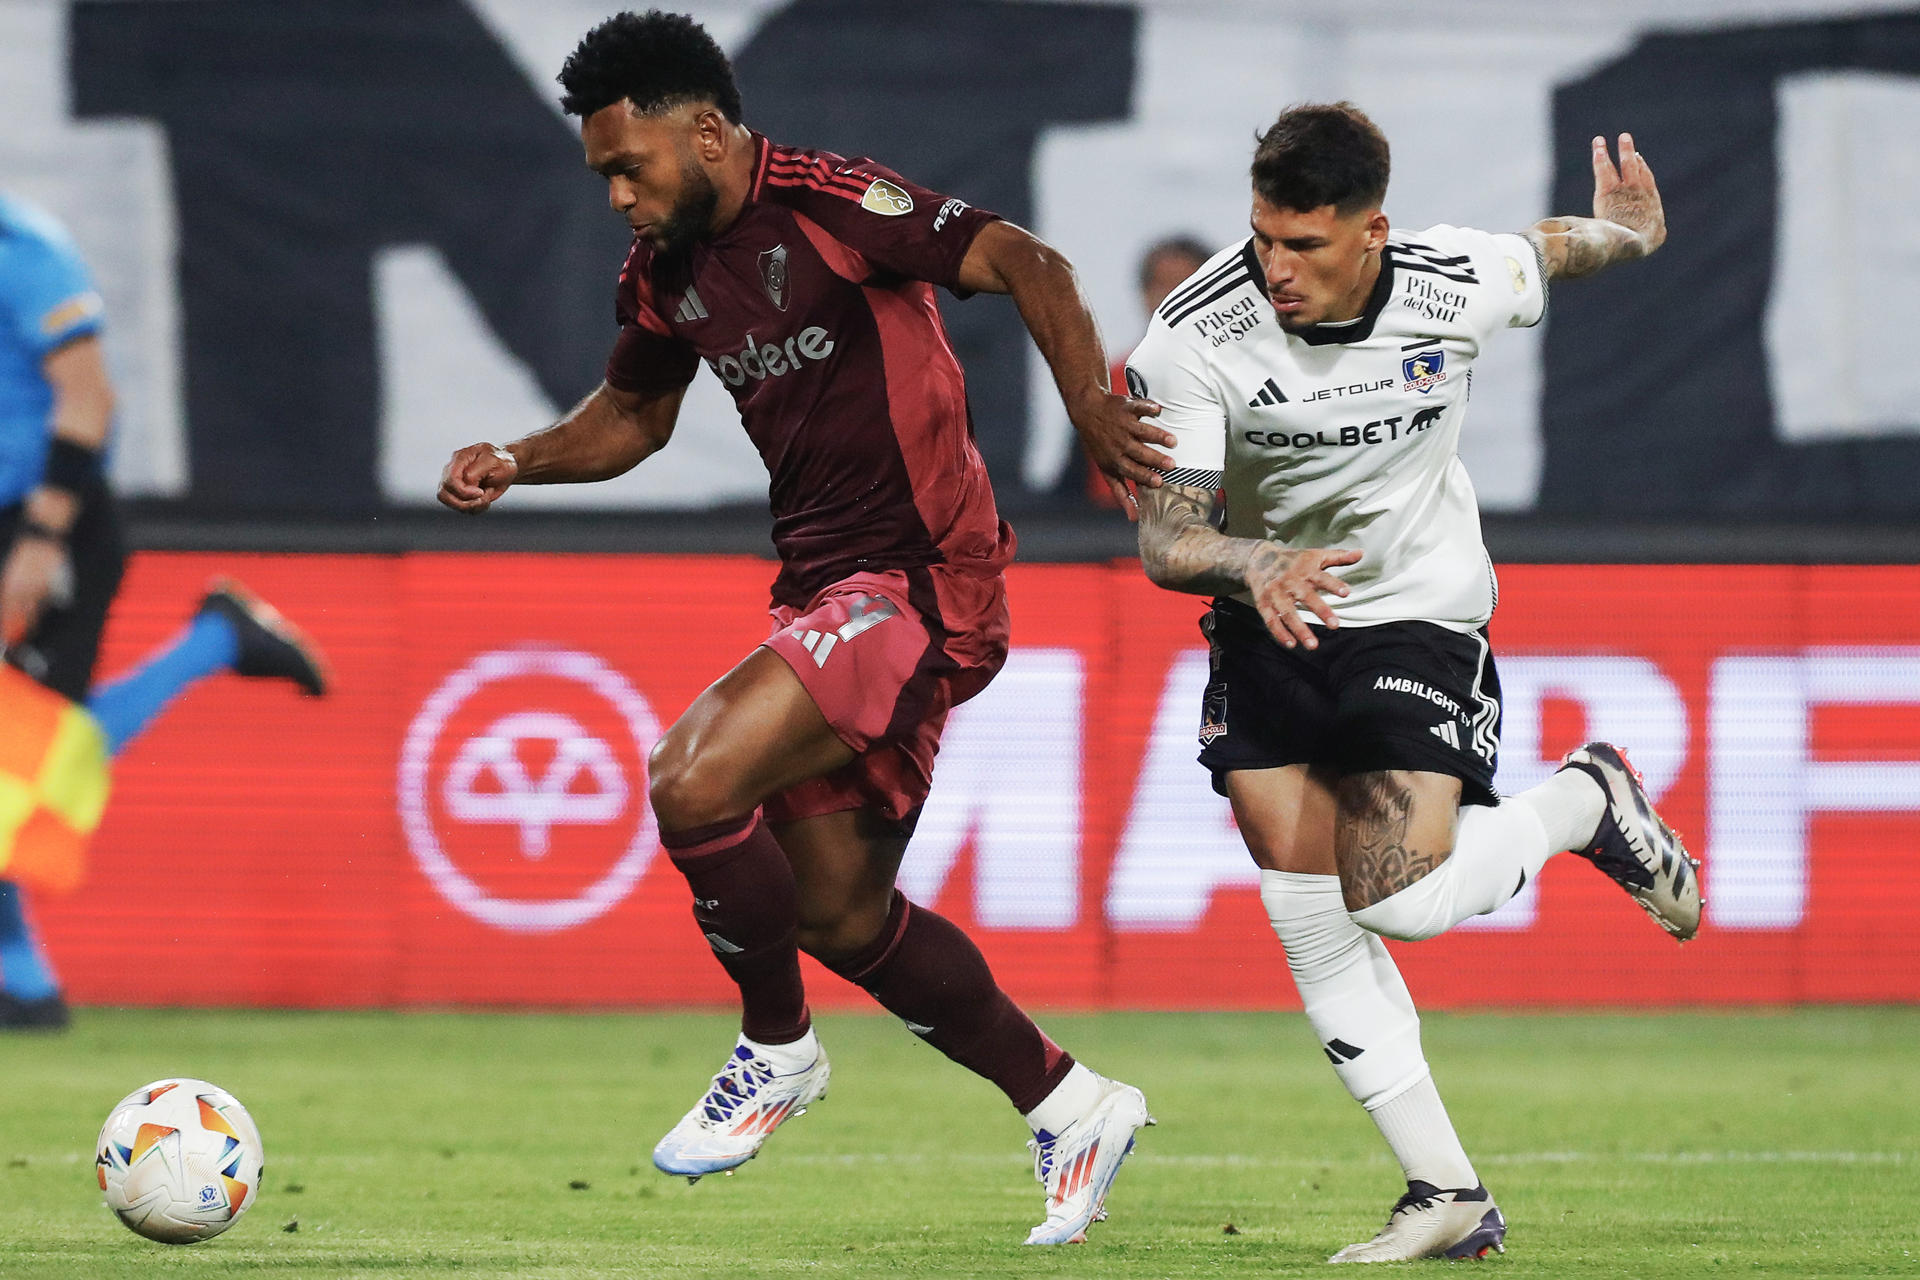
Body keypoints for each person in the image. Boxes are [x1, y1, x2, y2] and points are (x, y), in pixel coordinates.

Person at [436, 10, 1172, 1245]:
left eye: (632, 166)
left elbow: (1031, 263)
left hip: (921, 579)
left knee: (689, 775)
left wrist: (1093, 409)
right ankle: (1071, 1100)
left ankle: (775, 1048)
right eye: (604, 174)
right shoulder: (667, 271)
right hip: (829, 591)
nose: (618, 194)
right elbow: (631, 419)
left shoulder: (835, 204)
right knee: (835, 913)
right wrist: (518, 456)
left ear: (710, 132)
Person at [1124, 102, 1699, 1262]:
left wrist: (1627, 234)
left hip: (1417, 612)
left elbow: (1547, 249)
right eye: (1262, 238)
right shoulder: (1193, 336)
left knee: (1393, 895)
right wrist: (1252, 560)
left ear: (1372, 231)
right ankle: (1444, 1189)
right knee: (1308, 917)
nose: (1273, 269)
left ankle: (1584, 800)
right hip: (1269, 613)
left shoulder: (1452, 280)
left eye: (1305, 245)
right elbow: (1164, 535)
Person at [0, 193, 329, 1031]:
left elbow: (89, 400)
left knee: (32, 751)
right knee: (29, 753)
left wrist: (42, 538)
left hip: (44, 523)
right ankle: (217, 640)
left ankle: (23, 978)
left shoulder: (24, 247)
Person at [1086, 236, 1211, 508]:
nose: (1174, 298)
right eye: (1162, 285)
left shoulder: (1243, 384)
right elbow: (1075, 486)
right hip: (1117, 542)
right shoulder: (1104, 382)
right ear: (1143, 294)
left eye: (1188, 287)